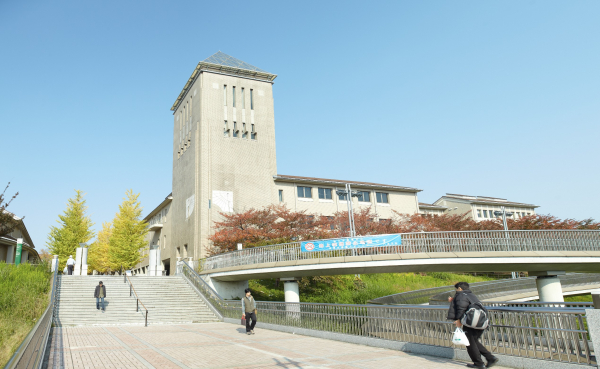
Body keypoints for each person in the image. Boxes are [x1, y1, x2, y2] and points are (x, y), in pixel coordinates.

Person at [448, 282, 499, 369]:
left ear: (460, 288)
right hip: (480, 322)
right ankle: (490, 358)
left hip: (470, 323)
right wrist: (453, 300)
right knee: (474, 341)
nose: (456, 291)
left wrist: (459, 320)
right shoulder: (471, 295)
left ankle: (479, 363)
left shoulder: (460, 295)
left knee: (470, 343)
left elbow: (461, 308)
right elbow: (467, 303)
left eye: (456, 289)